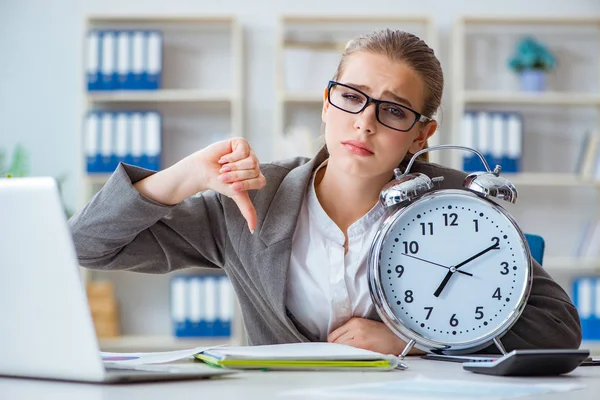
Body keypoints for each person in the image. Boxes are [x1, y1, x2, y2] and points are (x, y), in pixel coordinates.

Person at [69, 29, 582, 355]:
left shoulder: (456, 201)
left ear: (422, 133)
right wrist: (180, 177)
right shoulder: (252, 198)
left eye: (394, 110)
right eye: (352, 98)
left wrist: (416, 342)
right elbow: (85, 246)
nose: (364, 124)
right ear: (326, 103)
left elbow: (558, 326)